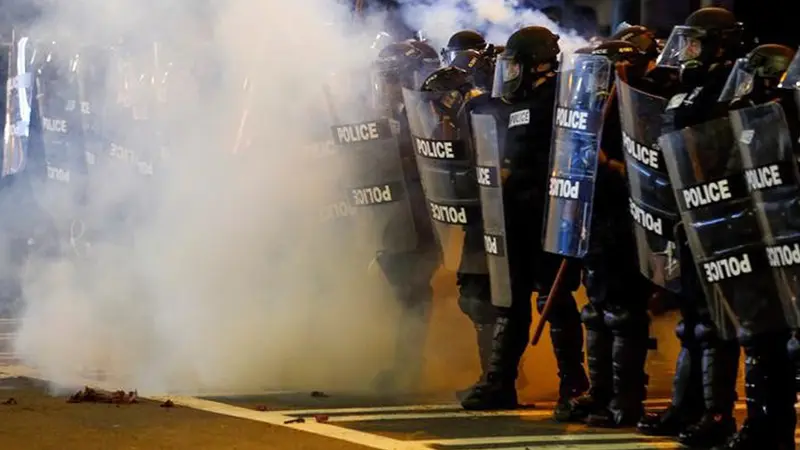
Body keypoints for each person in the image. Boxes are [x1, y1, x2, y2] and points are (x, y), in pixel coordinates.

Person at [631, 7, 751, 448]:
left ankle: (717, 413)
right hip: (684, 211)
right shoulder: (689, 87)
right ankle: (688, 405)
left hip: (719, 212)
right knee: (693, 319)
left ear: (719, 44)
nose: (687, 52)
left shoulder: (732, 83)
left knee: (714, 320)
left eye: (696, 43)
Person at [462, 26, 588, 419]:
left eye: (515, 64)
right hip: (515, 215)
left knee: (554, 300)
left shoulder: (560, 98)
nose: (509, 72)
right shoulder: (519, 102)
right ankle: (501, 381)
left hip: (548, 216)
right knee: (510, 300)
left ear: (537, 65)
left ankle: (574, 383)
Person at [543, 39, 657, 428]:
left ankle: (626, 400)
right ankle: (602, 391)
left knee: (623, 313)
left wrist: (608, 166)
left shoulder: (641, 106)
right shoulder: (590, 109)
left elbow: (646, 170)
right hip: (592, 219)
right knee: (596, 311)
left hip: (624, 224)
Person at [706, 43, 799, 450]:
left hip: (790, 243)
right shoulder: (744, 121)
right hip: (756, 243)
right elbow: (730, 177)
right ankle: (764, 428)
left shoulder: (788, 118)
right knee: (760, 338)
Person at [403, 66, 490, 400]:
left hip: (494, 222)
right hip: (472, 222)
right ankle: (497, 371)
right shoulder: (449, 126)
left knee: (487, 297)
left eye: (439, 102)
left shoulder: (483, 120)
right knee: (473, 295)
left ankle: (500, 375)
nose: (434, 110)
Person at [367, 39, 443, 393]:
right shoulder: (400, 113)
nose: (385, 86)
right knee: (406, 288)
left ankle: (408, 365)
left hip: (430, 216)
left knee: (415, 290)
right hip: (406, 215)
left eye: (392, 77)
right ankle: (406, 363)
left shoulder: (436, 107)